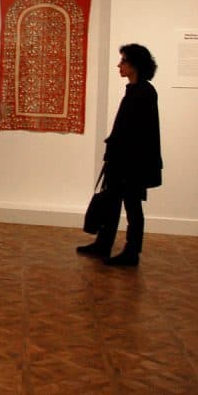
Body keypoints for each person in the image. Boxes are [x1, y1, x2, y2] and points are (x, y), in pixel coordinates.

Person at [77, 44, 162, 266]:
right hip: (121, 159)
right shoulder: (134, 89)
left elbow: (141, 132)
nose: (119, 65)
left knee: (133, 206)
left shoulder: (144, 92)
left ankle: (132, 252)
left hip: (133, 162)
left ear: (135, 64)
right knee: (112, 202)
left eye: (123, 61)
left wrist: (122, 152)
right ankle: (103, 244)